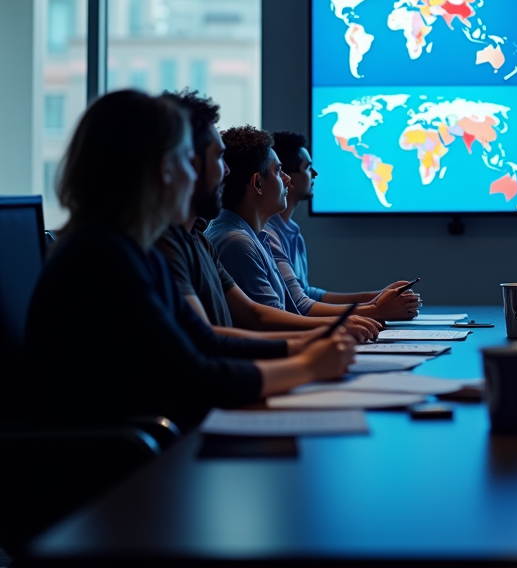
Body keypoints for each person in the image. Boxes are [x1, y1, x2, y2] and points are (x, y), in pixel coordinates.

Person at [23, 91, 355, 429]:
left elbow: (206, 340)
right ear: (161, 169)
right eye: (186, 160)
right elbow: (195, 377)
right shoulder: (103, 258)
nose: (196, 174)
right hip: (122, 467)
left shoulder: (135, 250)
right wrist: (307, 366)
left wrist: (308, 345)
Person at [157, 91, 380, 344]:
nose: (226, 171)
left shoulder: (201, 240)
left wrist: (332, 331)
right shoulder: (226, 241)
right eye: (278, 170)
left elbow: (256, 314)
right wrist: (315, 347)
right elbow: (214, 338)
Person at [205, 126, 416, 324]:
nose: (287, 179)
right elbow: (272, 320)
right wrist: (372, 311)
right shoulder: (237, 241)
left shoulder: (254, 236)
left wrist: (376, 303)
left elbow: (291, 302)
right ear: (258, 183)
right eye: (279, 171)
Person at [267, 130, 420, 322]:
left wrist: (378, 297)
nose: (314, 173)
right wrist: (375, 309)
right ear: (286, 176)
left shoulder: (292, 230)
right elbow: (299, 304)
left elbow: (304, 293)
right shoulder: (268, 233)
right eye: (307, 167)